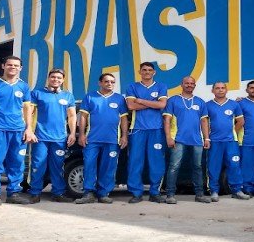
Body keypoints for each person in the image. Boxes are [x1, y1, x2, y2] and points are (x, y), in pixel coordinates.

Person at [0, 56, 37, 205]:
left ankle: (13, 193)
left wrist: (29, 129)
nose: (13, 67)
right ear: (3, 66)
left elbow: (27, 108)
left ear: (21, 68)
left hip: (18, 131)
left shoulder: (24, 86)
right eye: (10, 65)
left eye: (16, 65)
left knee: (17, 163)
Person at [76, 73, 129, 204]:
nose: (109, 84)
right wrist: (81, 134)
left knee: (109, 167)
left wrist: (124, 136)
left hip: (112, 140)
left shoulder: (119, 99)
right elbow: (83, 117)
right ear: (100, 83)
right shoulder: (90, 97)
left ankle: (104, 193)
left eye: (112, 82)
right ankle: (88, 193)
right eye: (106, 81)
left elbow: (124, 119)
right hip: (91, 140)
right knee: (89, 165)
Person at [28, 68, 76, 203]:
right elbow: (29, 113)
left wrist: (72, 133)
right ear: (48, 78)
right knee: (38, 165)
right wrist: (29, 130)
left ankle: (58, 193)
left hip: (60, 138)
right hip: (40, 137)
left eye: (59, 78)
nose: (56, 79)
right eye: (53, 77)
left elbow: (72, 116)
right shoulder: (37, 93)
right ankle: (35, 193)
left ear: (63, 80)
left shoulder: (68, 96)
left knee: (58, 166)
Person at [162, 76, 211, 204]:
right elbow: (167, 120)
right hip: (178, 139)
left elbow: (204, 121)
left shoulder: (200, 102)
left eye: (192, 83)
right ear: (182, 84)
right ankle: (170, 195)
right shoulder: (173, 100)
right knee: (174, 166)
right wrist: (168, 137)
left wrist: (206, 138)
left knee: (197, 167)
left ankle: (199, 194)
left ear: (194, 85)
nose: (189, 85)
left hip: (197, 140)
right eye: (187, 83)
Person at [125, 62, 168, 203]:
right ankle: (136, 193)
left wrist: (141, 101)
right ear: (140, 72)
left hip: (156, 129)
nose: (147, 72)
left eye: (150, 70)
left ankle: (155, 192)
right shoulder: (132, 87)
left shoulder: (161, 86)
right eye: (144, 70)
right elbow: (131, 105)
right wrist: (152, 103)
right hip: (137, 129)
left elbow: (162, 104)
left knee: (156, 162)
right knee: (135, 162)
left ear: (154, 72)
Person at [205, 82, 250, 201]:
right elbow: (204, 123)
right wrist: (207, 138)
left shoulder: (234, 104)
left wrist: (232, 132)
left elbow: (241, 121)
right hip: (214, 142)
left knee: (234, 166)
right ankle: (214, 191)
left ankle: (237, 190)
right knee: (213, 167)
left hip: (231, 142)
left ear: (226, 90)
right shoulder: (207, 105)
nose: (220, 90)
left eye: (222, 88)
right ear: (212, 90)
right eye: (217, 88)